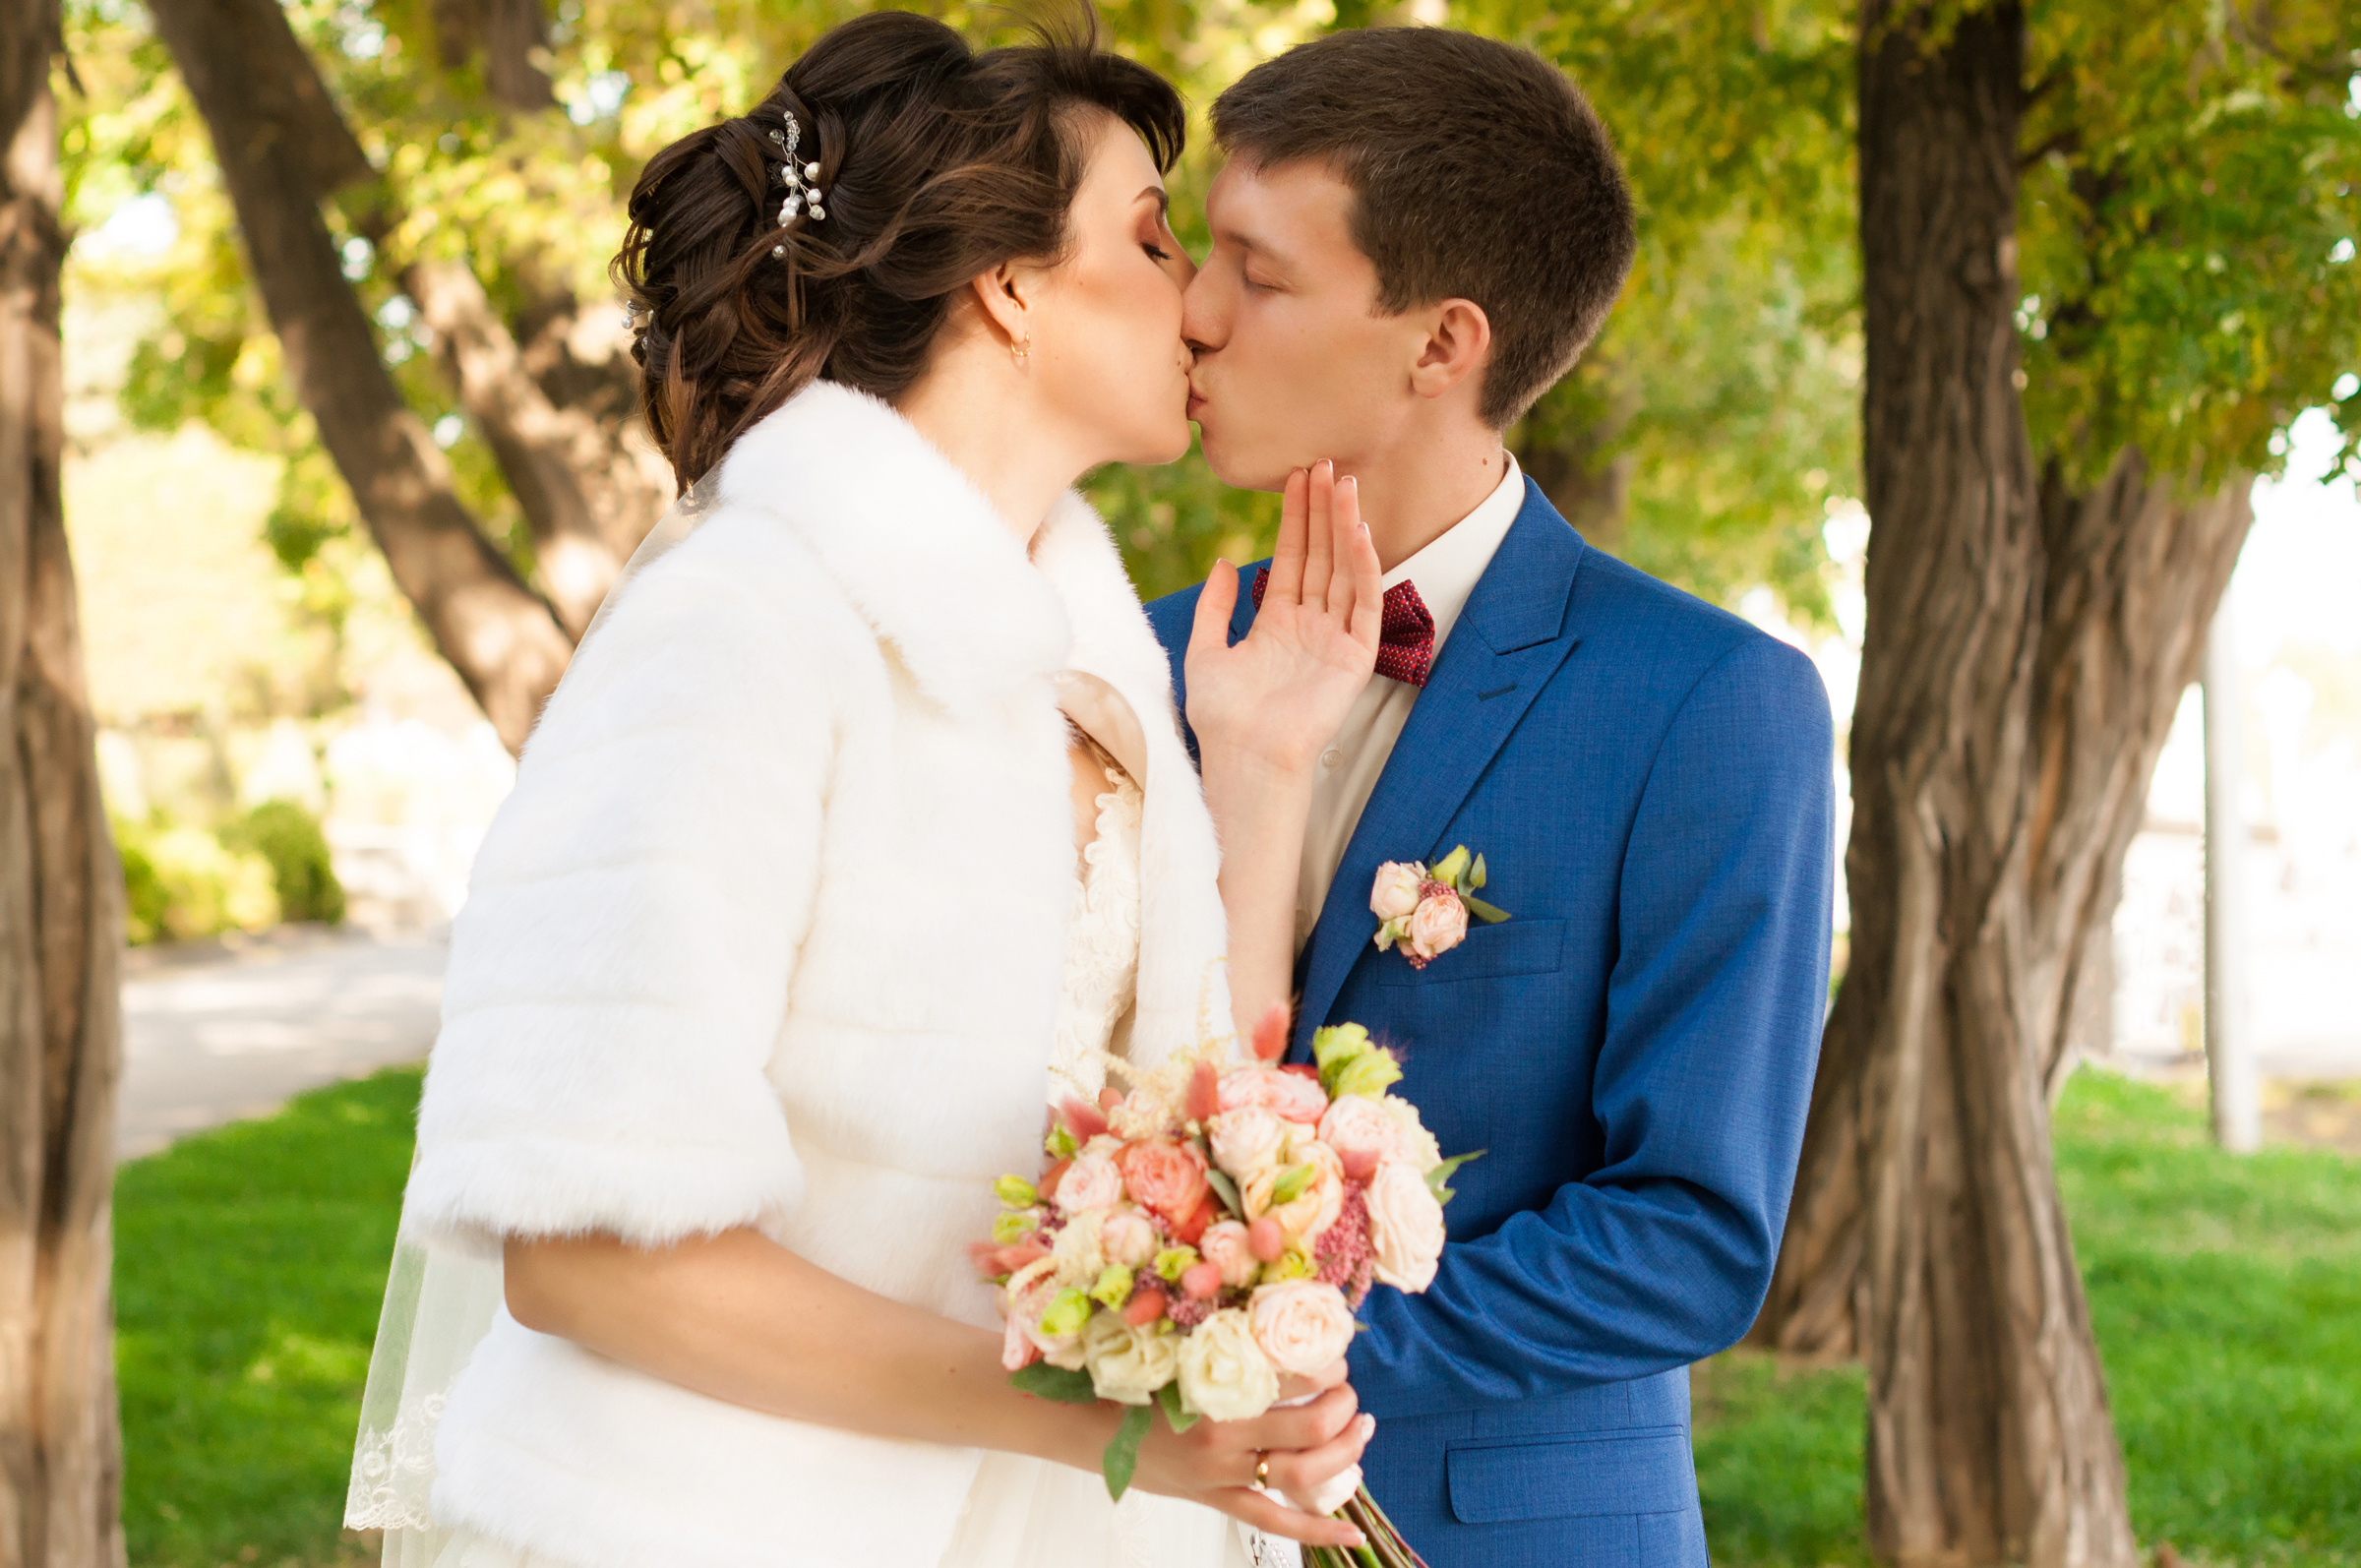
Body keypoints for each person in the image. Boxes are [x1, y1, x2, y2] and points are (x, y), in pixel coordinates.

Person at [343, 14, 1385, 1568]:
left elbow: (1184, 1097)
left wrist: (1265, 758)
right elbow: (579, 1255)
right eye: (1158, 238)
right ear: (1014, 286)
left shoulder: (1094, 675)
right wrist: (1084, 1418)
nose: (1206, 302)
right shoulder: (741, 630)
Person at [1145, 28, 1838, 1568]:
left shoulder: (1709, 705)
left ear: (1438, 342)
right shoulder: (1139, 666)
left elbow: (1691, 1231)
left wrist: (1283, 1349)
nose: (1189, 313)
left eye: (1257, 274)